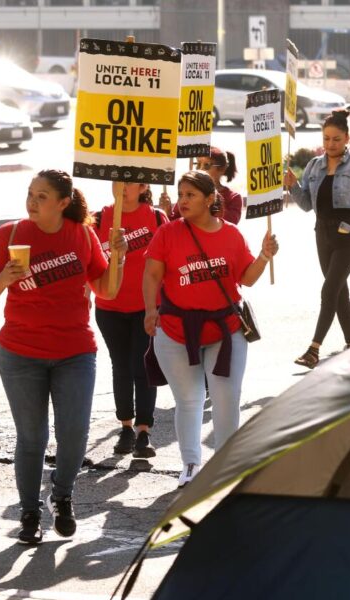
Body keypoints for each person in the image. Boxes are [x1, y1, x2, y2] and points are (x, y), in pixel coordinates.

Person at [0, 169, 126, 545]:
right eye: (30, 193)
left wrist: (118, 257)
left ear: (62, 202)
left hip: (75, 352)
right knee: (32, 437)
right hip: (20, 353)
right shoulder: (11, 234)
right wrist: (3, 279)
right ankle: (29, 512)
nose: (32, 201)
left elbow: (106, 290)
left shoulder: (82, 235)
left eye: (42, 196)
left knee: (74, 435)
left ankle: (62, 494)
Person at [143, 170, 277, 488]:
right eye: (181, 194)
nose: (183, 200)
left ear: (209, 198)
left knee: (226, 397)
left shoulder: (231, 234)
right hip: (176, 331)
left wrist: (264, 256)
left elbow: (246, 278)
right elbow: (151, 275)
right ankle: (190, 465)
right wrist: (150, 310)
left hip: (226, 330)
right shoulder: (169, 233)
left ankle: (226, 467)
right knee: (189, 400)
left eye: (190, 195)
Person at [283, 110, 350, 368]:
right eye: (326, 139)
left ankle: (314, 350)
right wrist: (293, 185)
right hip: (322, 233)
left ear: (347, 138)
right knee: (339, 292)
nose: (330, 144)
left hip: (349, 235)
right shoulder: (315, 166)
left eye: (336, 139)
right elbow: (306, 205)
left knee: (329, 290)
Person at [94, 182, 169, 458]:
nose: (122, 188)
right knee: (121, 366)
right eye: (118, 182)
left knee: (144, 366)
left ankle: (144, 431)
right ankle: (125, 426)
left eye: (129, 183)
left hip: (147, 307)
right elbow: (90, 263)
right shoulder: (99, 218)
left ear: (143, 186)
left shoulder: (157, 217)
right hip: (109, 307)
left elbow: (168, 259)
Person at [159, 146, 243, 224]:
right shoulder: (188, 191)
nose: (201, 169)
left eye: (207, 165)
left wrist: (213, 199)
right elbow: (175, 223)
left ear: (222, 169)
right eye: (198, 164)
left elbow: (231, 222)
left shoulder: (234, 197)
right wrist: (167, 214)